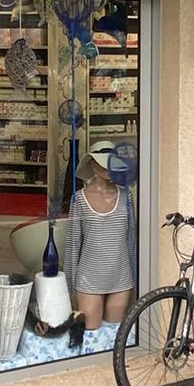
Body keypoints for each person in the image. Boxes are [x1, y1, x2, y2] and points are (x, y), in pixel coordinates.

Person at [64, 141, 134, 329]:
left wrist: (136, 275)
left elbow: (131, 240)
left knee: (115, 333)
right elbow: (73, 243)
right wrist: (69, 285)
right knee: (90, 333)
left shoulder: (126, 197)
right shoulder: (79, 199)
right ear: (93, 165)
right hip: (89, 277)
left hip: (121, 276)